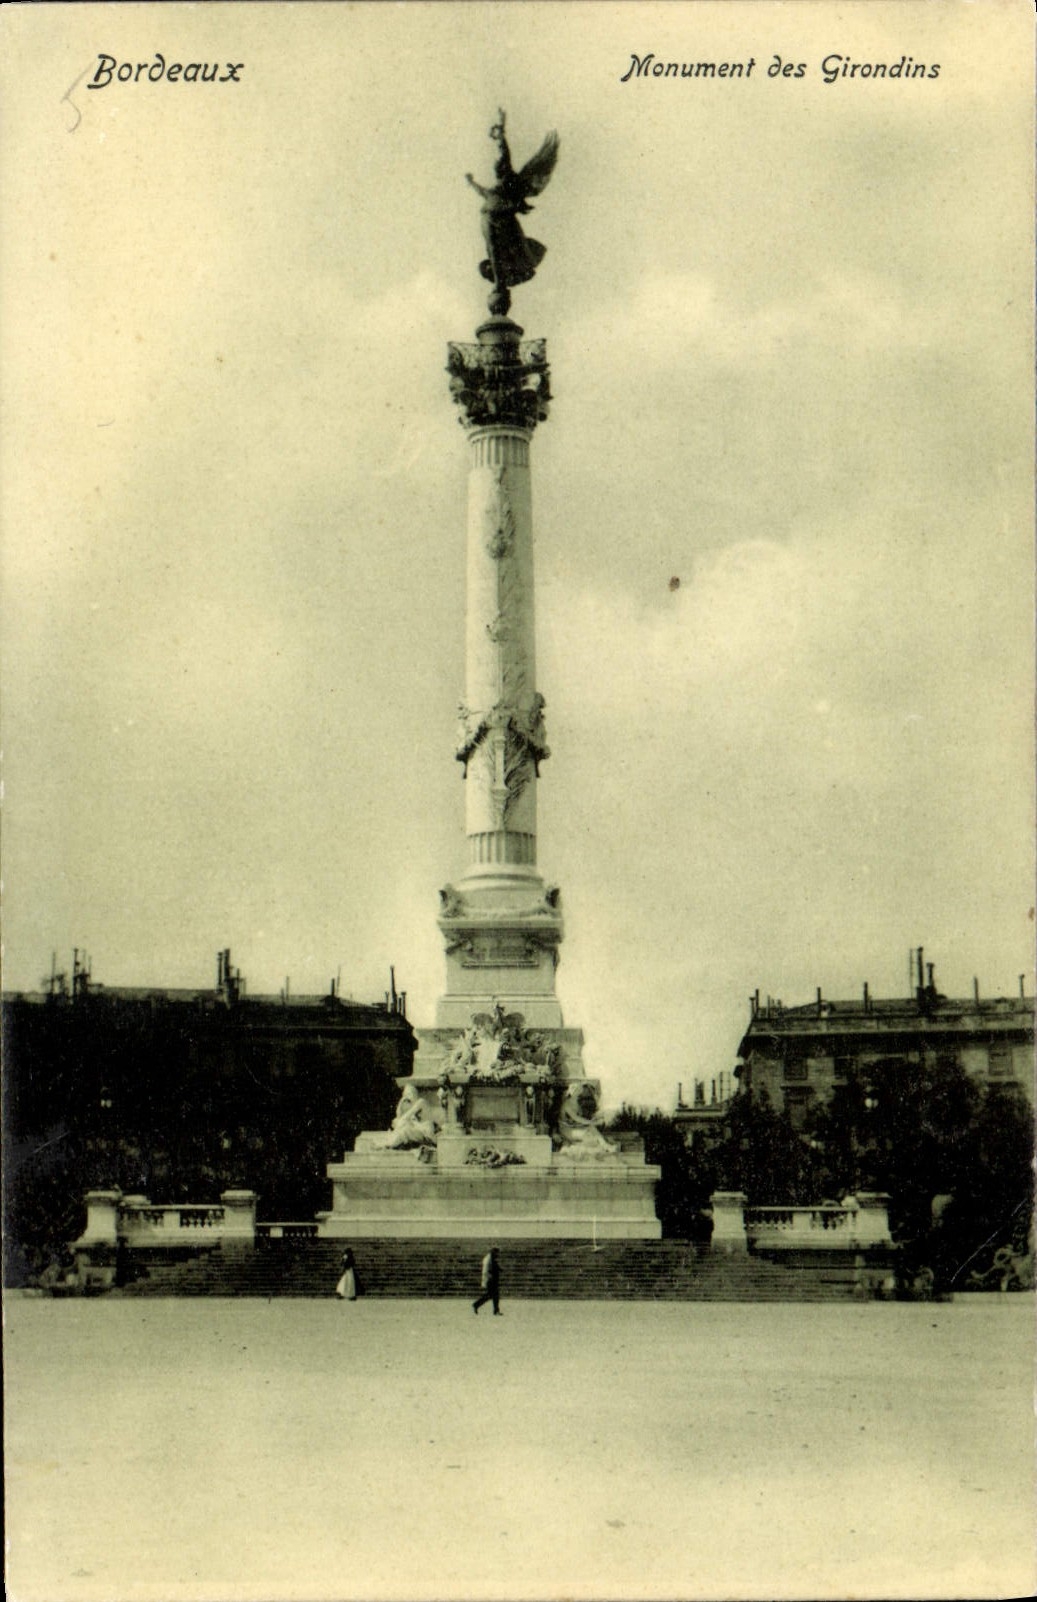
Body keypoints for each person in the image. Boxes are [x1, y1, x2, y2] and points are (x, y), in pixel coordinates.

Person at [472, 1246, 502, 1315]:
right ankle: (476, 1304)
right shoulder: (490, 1259)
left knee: (494, 1295)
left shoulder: (489, 1258)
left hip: (490, 1279)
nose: (498, 1255)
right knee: (491, 1295)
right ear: (494, 1252)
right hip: (491, 1280)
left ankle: (495, 1310)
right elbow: (490, 1269)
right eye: (497, 1253)